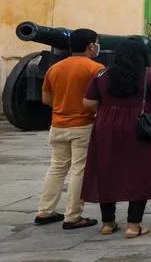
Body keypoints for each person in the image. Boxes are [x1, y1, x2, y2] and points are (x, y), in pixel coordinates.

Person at [82, 38, 151, 238]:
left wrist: (109, 109)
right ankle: (133, 225)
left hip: (105, 128)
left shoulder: (102, 74)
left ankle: (108, 223)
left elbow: (88, 104)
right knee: (139, 173)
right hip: (138, 128)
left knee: (107, 170)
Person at [34, 28, 102, 230]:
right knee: (79, 170)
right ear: (91, 46)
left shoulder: (54, 68)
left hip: (57, 124)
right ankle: (73, 215)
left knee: (56, 168)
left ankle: (45, 211)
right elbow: (98, 99)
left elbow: (46, 99)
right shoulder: (95, 68)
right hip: (83, 124)